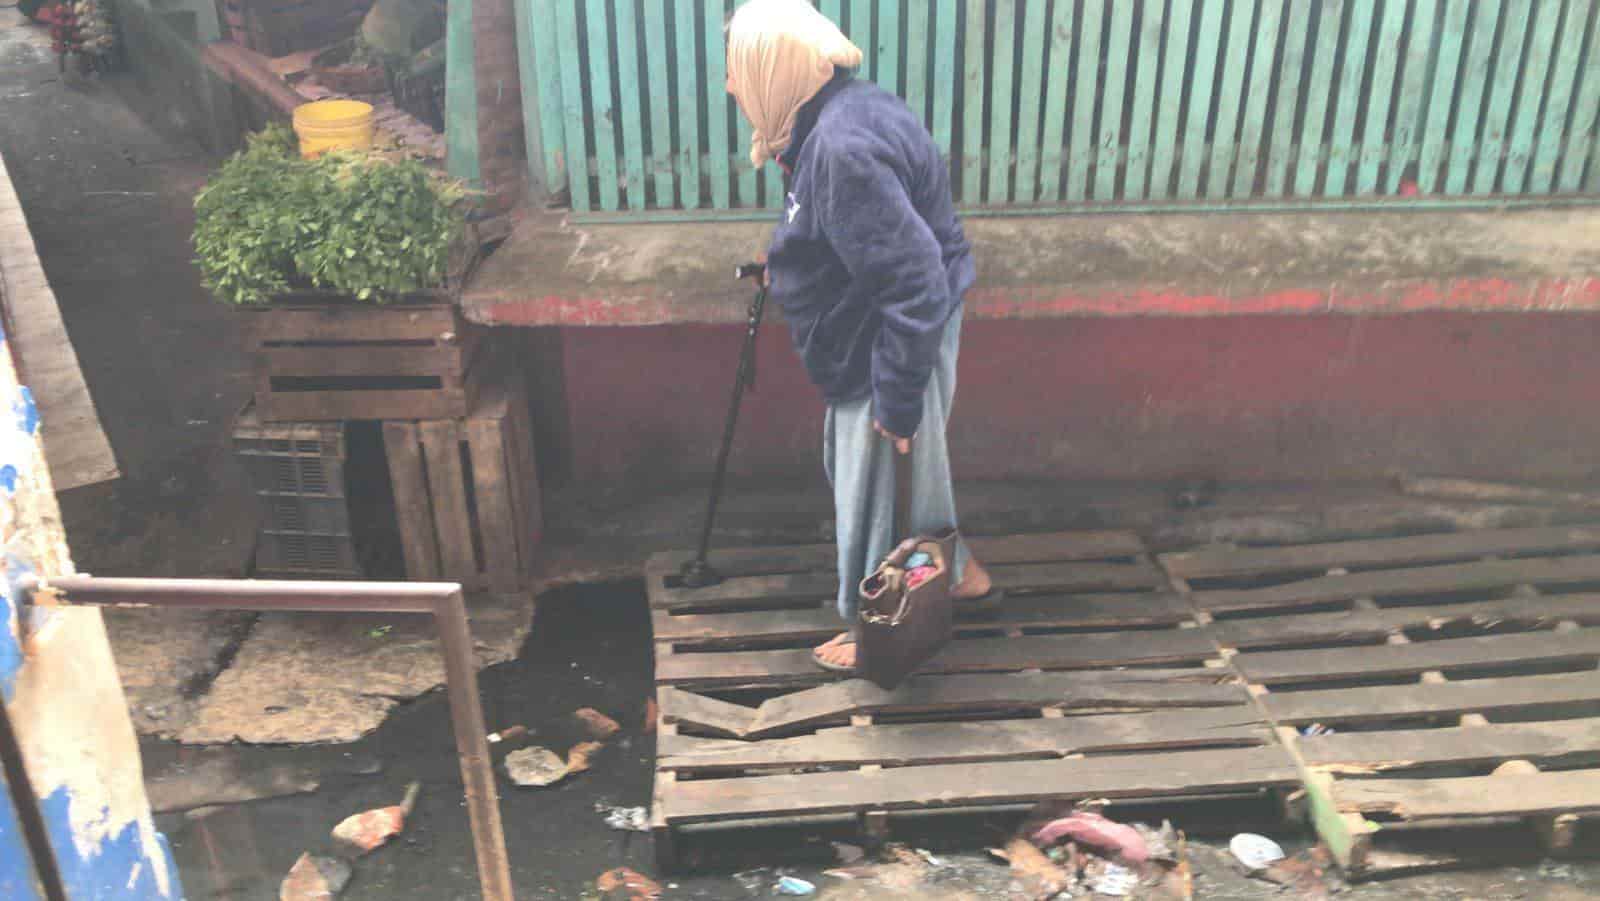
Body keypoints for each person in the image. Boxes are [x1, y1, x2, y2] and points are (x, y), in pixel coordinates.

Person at [725, 0, 1000, 673]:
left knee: (874, 487)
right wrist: (785, 264)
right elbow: (835, 226)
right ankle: (957, 574)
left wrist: (897, 398)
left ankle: (876, 627)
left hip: (889, 341)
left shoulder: (841, 150)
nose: (733, 85)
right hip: (883, 332)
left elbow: (916, 285)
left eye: (738, 70)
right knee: (901, 475)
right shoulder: (841, 109)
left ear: (778, 69)